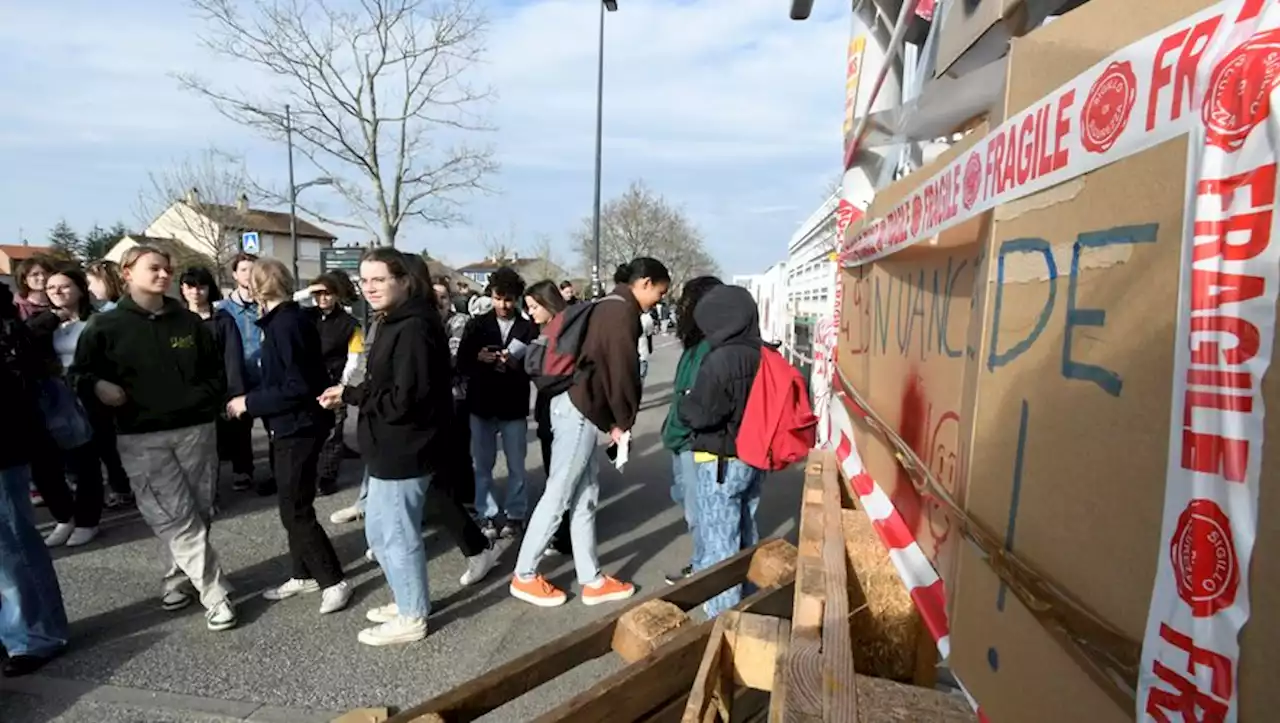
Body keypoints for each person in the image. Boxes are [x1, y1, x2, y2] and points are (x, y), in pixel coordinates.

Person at [70, 245, 237, 631]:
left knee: (198, 511)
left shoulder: (188, 321)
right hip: (141, 436)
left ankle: (178, 579)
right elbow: (78, 374)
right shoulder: (105, 326)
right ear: (127, 273)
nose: (164, 275)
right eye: (154, 268)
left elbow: (216, 371)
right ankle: (216, 594)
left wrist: (202, 401)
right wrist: (98, 385)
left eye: (167, 269)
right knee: (174, 516)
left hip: (196, 431)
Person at [509, 258, 670, 608]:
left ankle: (592, 579)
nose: (659, 299)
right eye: (659, 292)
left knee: (585, 493)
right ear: (644, 283)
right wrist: (622, 422)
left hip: (573, 405)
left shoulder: (607, 306)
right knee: (561, 492)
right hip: (579, 409)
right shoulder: (621, 313)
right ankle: (524, 574)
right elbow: (622, 372)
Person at [318, 248, 454, 646]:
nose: (369, 286)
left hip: (404, 448)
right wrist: (350, 392)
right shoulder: (394, 320)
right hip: (386, 446)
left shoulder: (412, 327)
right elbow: (386, 385)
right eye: (364, 279)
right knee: (379, 531)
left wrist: (354, 396)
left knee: (396, 534)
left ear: (404, 281)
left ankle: (412, 616)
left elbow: (403, 399)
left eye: (379, 278)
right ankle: (408, 599)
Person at [227, 259, 352, 615]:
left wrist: (248, 402)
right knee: (291, 504)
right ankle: (303, 573)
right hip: (289, 424)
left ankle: (332, 579)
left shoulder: (285, 324)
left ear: (257, 288)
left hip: (297, 426)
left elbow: (297, 386)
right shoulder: (286, 318)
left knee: (295, 509)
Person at [678, 284, 765, 618]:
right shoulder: (761, 352)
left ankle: (722, 618)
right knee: (746, 529)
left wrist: (686, 403)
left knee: (719, 542)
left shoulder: (720, 359)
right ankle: (752, 597)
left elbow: (704, 414)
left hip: (720, 460)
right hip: (754, 456)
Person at [0, 283, 69, 677]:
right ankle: (14, 628)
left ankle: (36, 633)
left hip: (4, 444)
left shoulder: (7, 325)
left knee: (12, 546)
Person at [25, 269, 107, 548]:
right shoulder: (42, 322)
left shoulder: (97, 321)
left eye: (64, 286)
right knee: (46, 465)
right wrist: (50, 319)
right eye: (50, 287)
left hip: (88, 396)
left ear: (80, 289)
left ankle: (87, 520)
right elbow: (26, 343)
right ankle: (64, 516)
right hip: (51, 399)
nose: (56, 292)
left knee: (85, 463)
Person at [457, 267, 538, 539]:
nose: (503, 305)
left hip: (513, 405)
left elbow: (535, 365)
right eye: (498, 298)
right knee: (483, 464)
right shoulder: (476, 325)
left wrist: (515, 363)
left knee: (517, 464)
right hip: (481, 404)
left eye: (509, 299)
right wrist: (479, 357)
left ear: (517, 299)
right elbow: (461, 363)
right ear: (490, 295)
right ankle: (487, 514)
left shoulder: (529, 327)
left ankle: (516, 514)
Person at [659, 276, 722, 585]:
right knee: (688, 499)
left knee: (696, 509)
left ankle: (705, 566)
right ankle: (706, 562)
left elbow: (693, 402)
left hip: (694, 442)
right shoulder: (699, 346)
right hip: (685, 440)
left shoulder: (709, 348)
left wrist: (675, 433)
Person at [180, 267, 247, 497]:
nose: (195, 292)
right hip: (190, 390)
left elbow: (233, 356)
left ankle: (242, 470)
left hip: (221, 386)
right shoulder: (177, 321)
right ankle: (206, 490)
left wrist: (236, 391)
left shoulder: (222, 320)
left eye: (201, 287)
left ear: (210, 289)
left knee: (233, 431)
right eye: (190, 287)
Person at [301, 273, 364, 496]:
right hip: (306, 382)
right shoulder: (304, 316)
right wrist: (306, 291)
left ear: (337, 294)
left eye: (327, 293)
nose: (323, 298)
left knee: (333, 434)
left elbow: (354, 356)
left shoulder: (350, 324)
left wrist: (342, 384)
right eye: (318, 293)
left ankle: (328, 476)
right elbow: (285, 304)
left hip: (333, 382)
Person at [523, 280, 572, 556]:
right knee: (556, 476)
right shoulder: (548, 330)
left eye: (533, 306)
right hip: (548, 413)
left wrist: (533, 365)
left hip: (559, 412)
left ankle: (561, 536)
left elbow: (551, 378)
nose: (530, 313)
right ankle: (564, 533)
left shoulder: (562, 332)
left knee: (560, 479)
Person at [218, 252, 272, 495]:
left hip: (269, 376)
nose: (249, 275)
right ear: (234, 274)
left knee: (275, 427)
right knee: (240, 429)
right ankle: (243, 471)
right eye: (243, 270)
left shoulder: (269, 304)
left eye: (253, 269)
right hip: (241, 376)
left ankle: (277, 470)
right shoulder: (224, 310)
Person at [85, 260, 134, 509]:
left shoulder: (113, 315)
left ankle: (125, 487)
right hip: (110, 388)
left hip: (121, 387)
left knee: (118, 443)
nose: (89, 288)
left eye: (92, 282)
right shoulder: (103, 313)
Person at [13, 256, 56, 320]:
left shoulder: (60, 302)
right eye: (35, 274)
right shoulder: (14, 306)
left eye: (45, 273)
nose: (42, 278)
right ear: (24, 279)